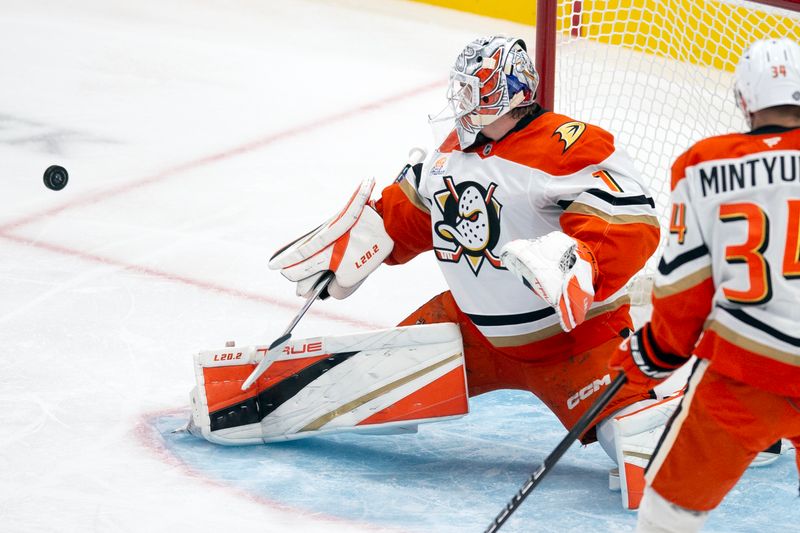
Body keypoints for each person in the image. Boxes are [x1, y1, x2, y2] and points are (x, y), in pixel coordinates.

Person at [270, 35, 663, 507]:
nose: (461, 102)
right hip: (469, 329)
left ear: (508, 93)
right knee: (371, 377)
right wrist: (362, 244)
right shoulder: (454, 149)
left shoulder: (566, 145)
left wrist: (585, 259)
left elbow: (630, 215)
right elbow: (412, 214)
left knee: (640, 441)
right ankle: (268, 402)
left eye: (473, 90)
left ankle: (709, 426)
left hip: (574, 342)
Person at [609, 37, 800, 531]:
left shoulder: (706, 166)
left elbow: (683, 294)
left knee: (667, 513)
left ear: (744, 100)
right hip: (748, 369)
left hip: (745, 374)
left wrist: (646, 359)